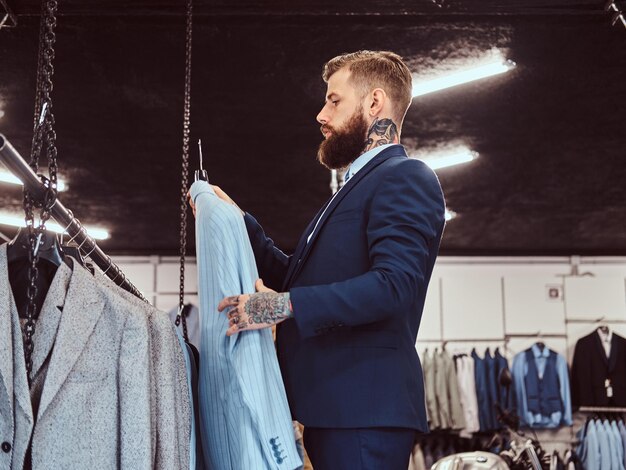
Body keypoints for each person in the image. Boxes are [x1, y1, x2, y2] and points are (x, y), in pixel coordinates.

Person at [190, 50, 446, 470]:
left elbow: (394, 285)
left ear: (374, 102)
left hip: (363, 411)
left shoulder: (406, 176)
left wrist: (281, 305)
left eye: (334, 100)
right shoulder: (352, 188)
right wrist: (239, 224)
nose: (321, 114)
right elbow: (298, 277)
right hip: (335, 410)